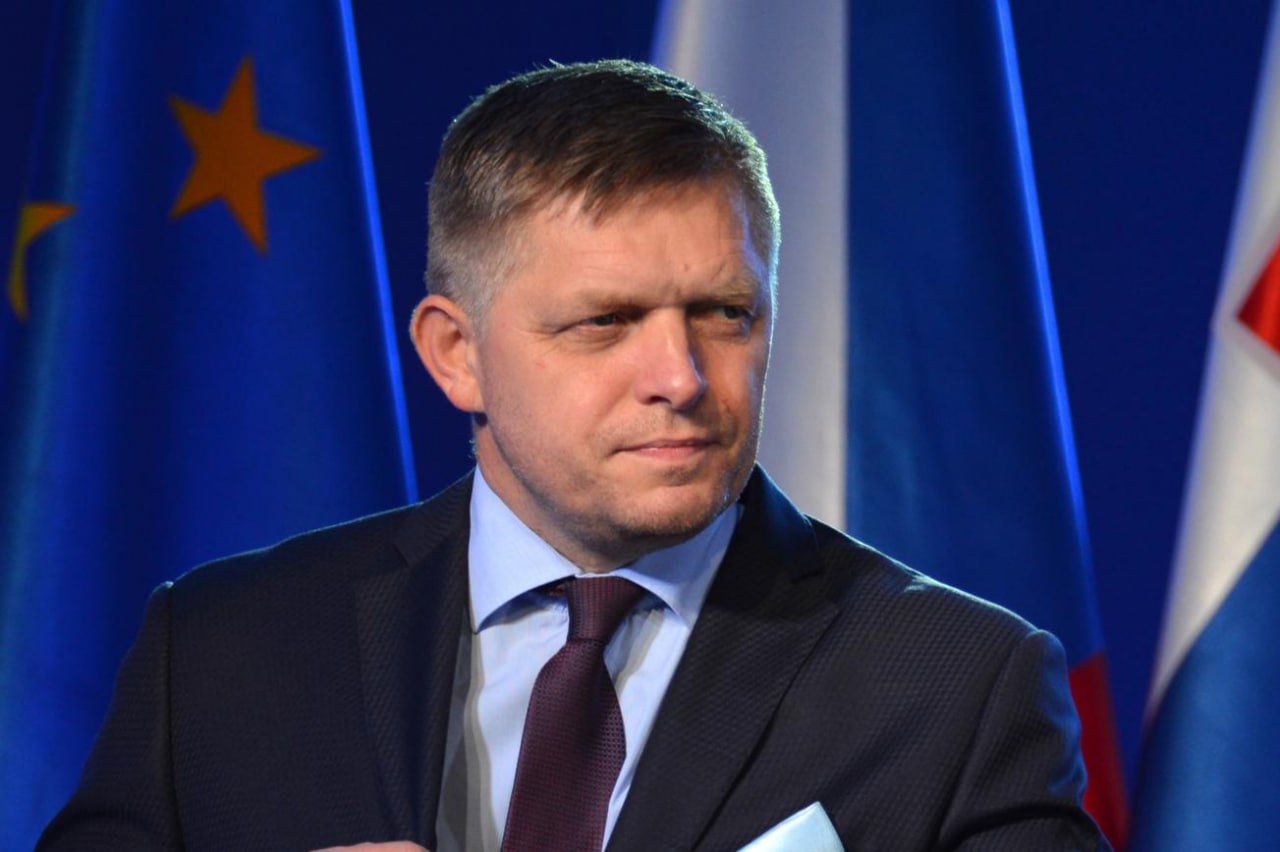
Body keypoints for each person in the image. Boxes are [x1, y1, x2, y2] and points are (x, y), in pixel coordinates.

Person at [39, 60, 1107, 851]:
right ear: (456, 355)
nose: (681, 377)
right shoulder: (224, 647)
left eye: (725, 313)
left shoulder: (956, 684)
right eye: (605, 322)